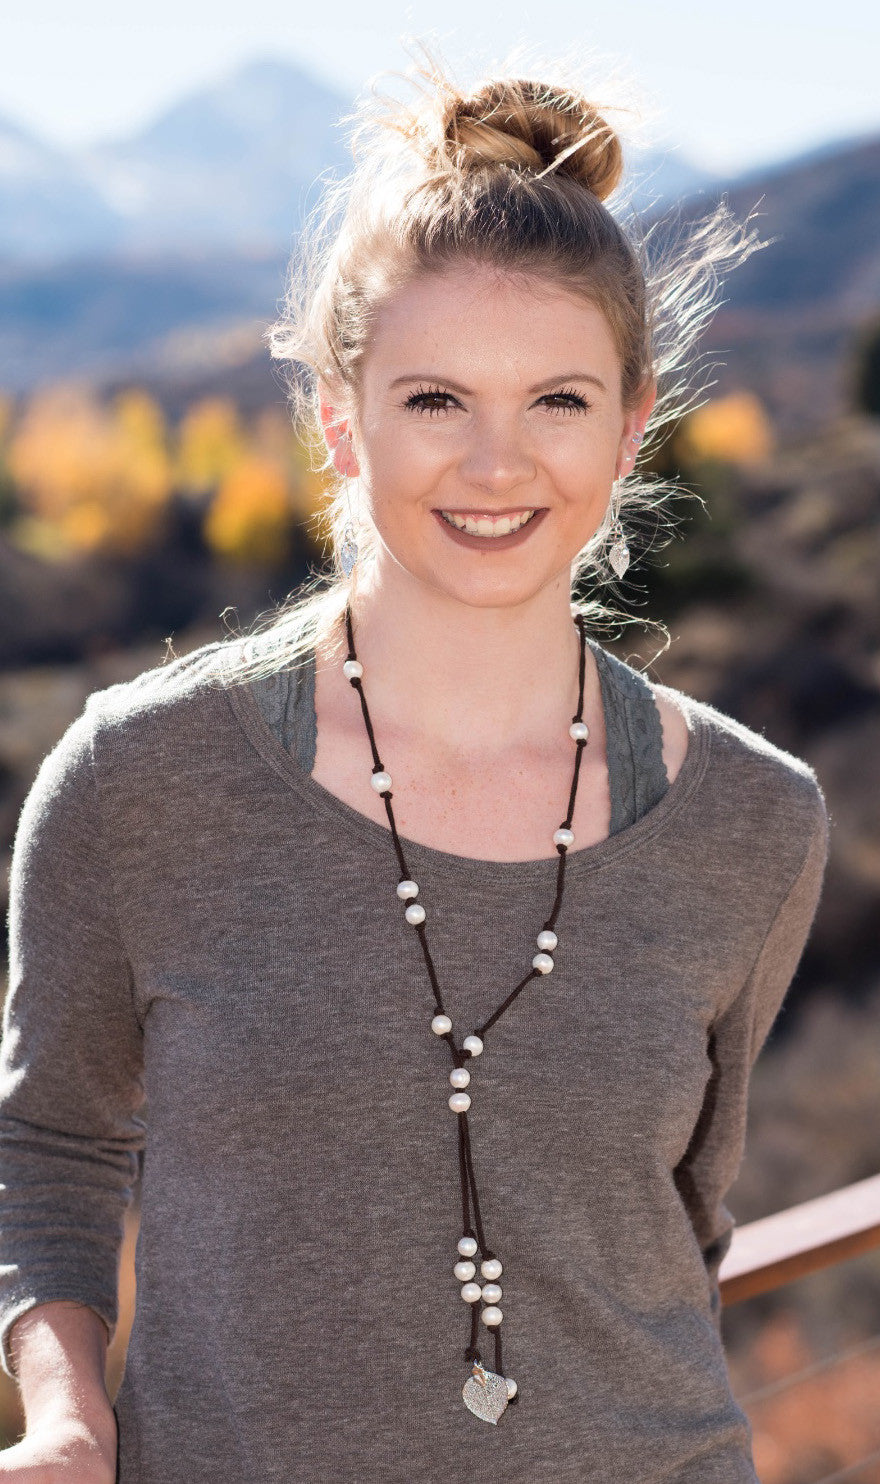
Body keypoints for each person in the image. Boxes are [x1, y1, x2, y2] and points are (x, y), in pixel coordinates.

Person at [0, 44, 830, 1484]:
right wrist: (69, 1420)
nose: (496, 466)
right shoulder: (138, 783)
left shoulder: (758, 822)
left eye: (558, 402)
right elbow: (49, 1157)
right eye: (437, 399)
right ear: (340, 418)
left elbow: (682, 1220)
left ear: (632, 428)